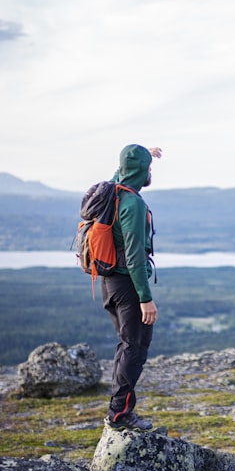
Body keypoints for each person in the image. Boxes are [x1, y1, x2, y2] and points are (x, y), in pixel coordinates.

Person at [103, 144, 161, 431]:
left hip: (110, 282)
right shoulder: (133, 204)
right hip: (128, 282)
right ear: (142, 171)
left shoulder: (114, 190)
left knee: (127, 344)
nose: (150, 173)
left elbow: (122, 171)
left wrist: (140, 154)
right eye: (148, 168)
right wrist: (145, 298)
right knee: (135, 347)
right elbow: (136, 256)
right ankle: (120, 414)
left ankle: (119, 409)